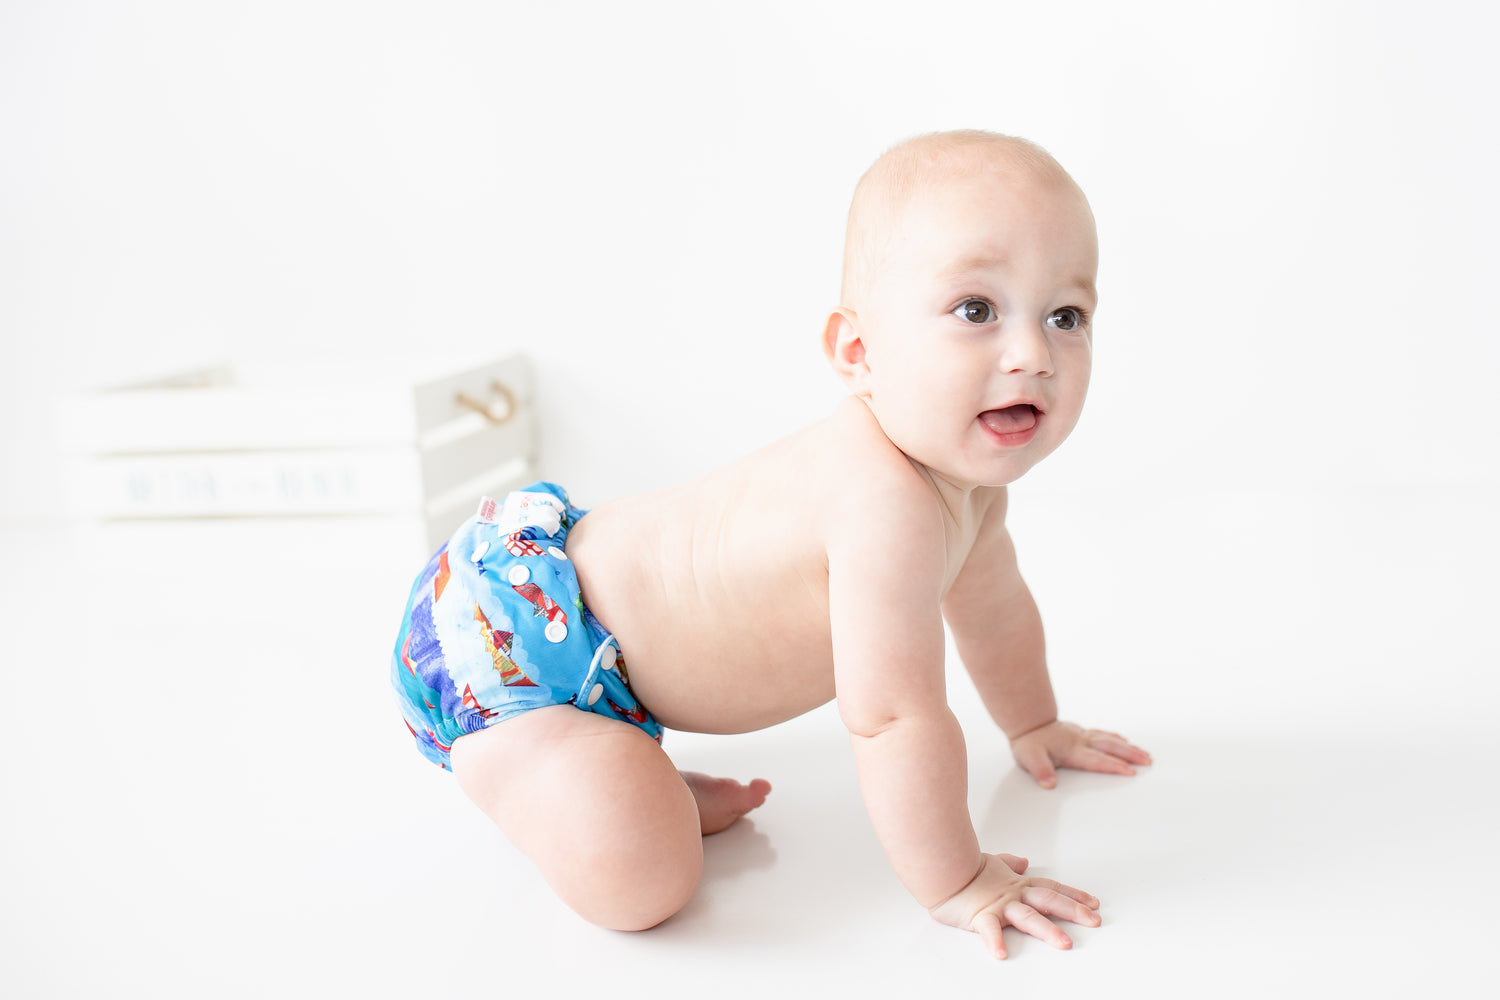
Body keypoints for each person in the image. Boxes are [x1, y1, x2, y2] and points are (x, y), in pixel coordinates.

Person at [391, 129, 1151, 960]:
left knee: (642, 828)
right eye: (976, 310)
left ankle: (616, 768)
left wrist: (1033, 722)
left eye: (1066, 316)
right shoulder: (881, 502)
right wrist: (959, 879)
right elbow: (895, 717)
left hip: (604, 661)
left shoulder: (967, 491)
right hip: (514, 641)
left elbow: (995, 610)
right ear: (858, 353)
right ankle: (514, 763)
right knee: (642, 882)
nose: (1032, 354)